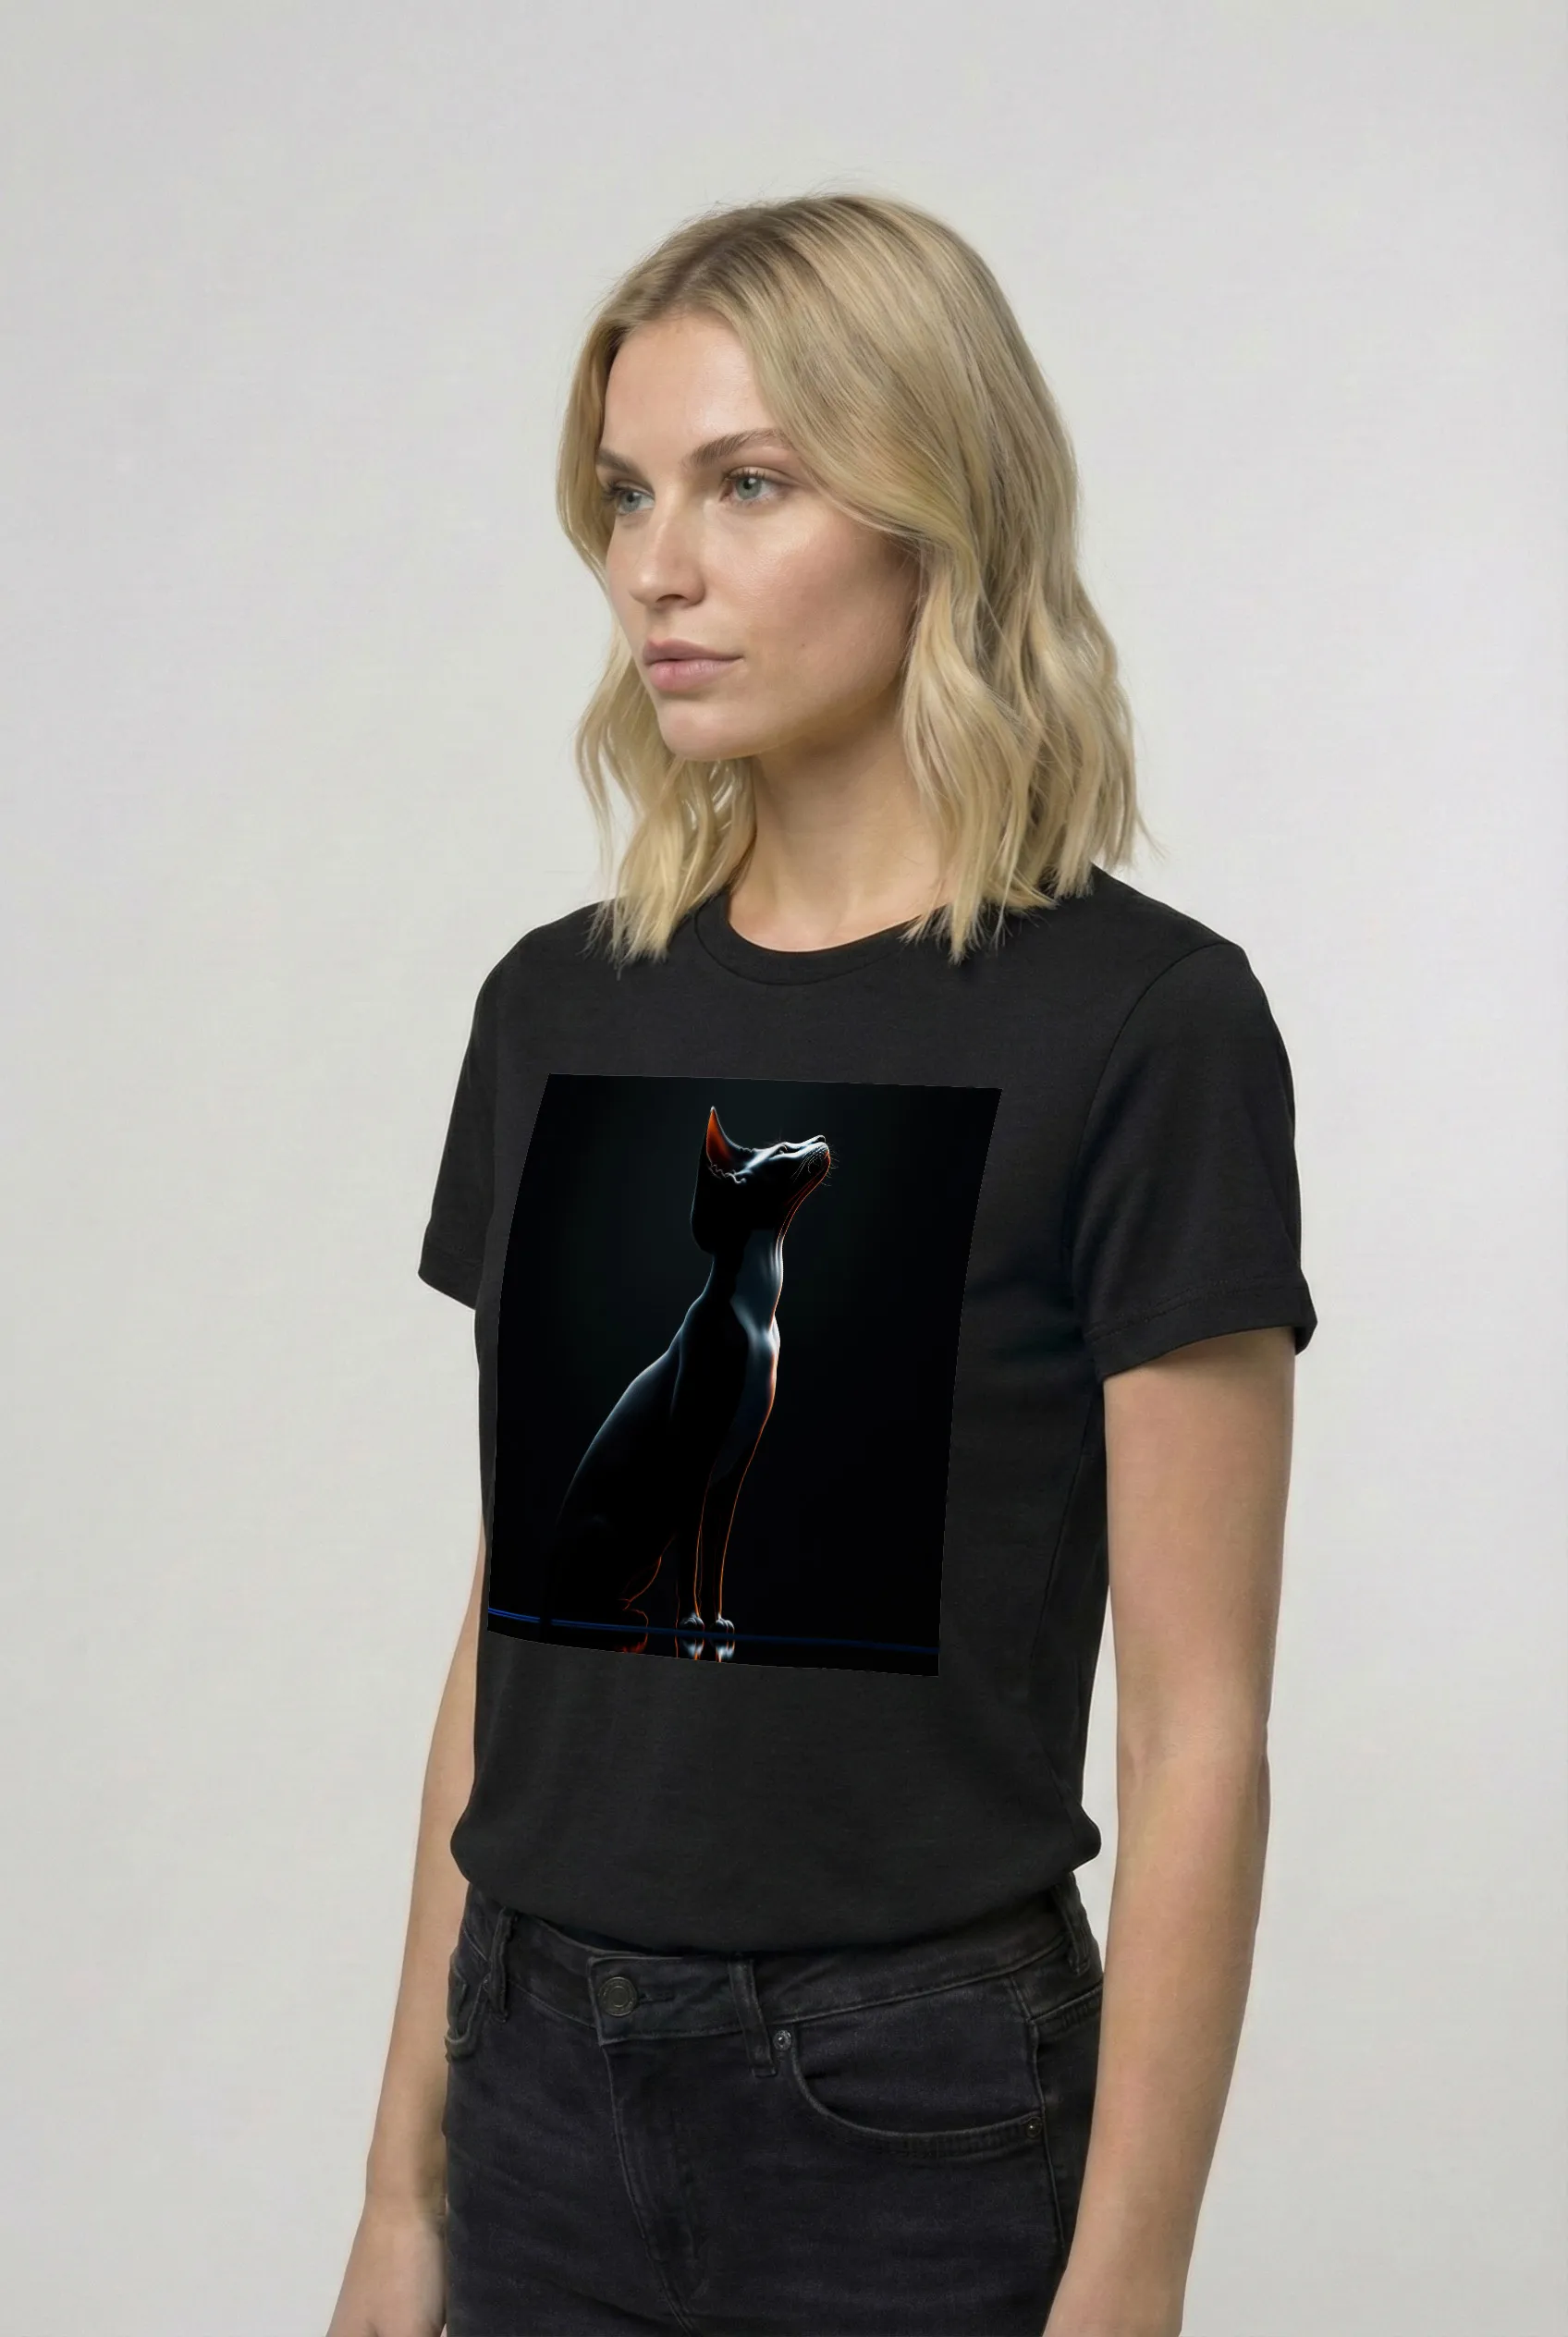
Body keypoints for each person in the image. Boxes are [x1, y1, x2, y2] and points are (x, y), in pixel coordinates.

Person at [326, 192, 1317, 2337]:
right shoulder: (556, 1009)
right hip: (532, 2078)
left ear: (934, 509)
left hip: (908, 2106)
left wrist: (1125, 2285)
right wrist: (401, 2192)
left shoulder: (1138, 1025)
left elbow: (1196, 1730)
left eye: (747, 483)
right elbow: (514, 1632)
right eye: (625, 492)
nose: (652, 567)